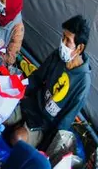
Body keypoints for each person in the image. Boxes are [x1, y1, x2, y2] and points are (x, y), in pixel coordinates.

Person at [5, 15, 91, 149]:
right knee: (2, 115)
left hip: (44, 124)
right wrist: (16, 88)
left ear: (79, 48)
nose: (62, 43)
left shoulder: (83, 83)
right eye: (62, 37)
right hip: (32, 104)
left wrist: (45, 148)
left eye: (67, 40)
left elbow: (64, 122)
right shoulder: (58, 55)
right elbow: (36, 78)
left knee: (17, 138)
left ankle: (24, 131)